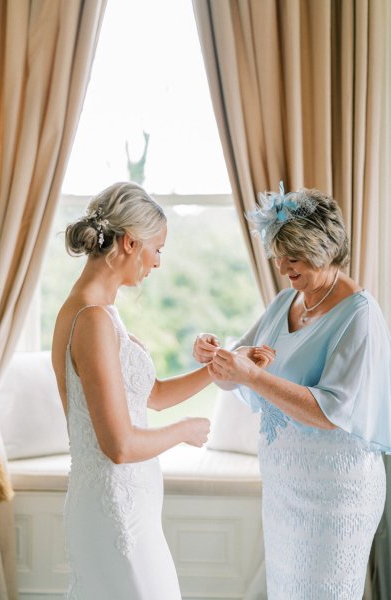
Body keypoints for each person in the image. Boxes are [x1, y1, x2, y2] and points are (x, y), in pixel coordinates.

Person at [193, 183, 391, 599]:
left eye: (294, 256)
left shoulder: (360, 315)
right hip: (283, 490)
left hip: (336, 497)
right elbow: (235, 374)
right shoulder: (286, 301)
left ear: (326, 248)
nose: (282, 265)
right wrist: (213, 357)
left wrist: (253, 376)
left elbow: (330, 413)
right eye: (278, 254)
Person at [52, 181, 212, 600]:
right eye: (157, 248)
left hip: (127, 508)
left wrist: (219, 369)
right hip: (115, 512)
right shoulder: (91, 319)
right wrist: (185, 431)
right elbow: (118, 445)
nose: (157, 262)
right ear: (128, 242)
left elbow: (152, 395)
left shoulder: (101, 311)